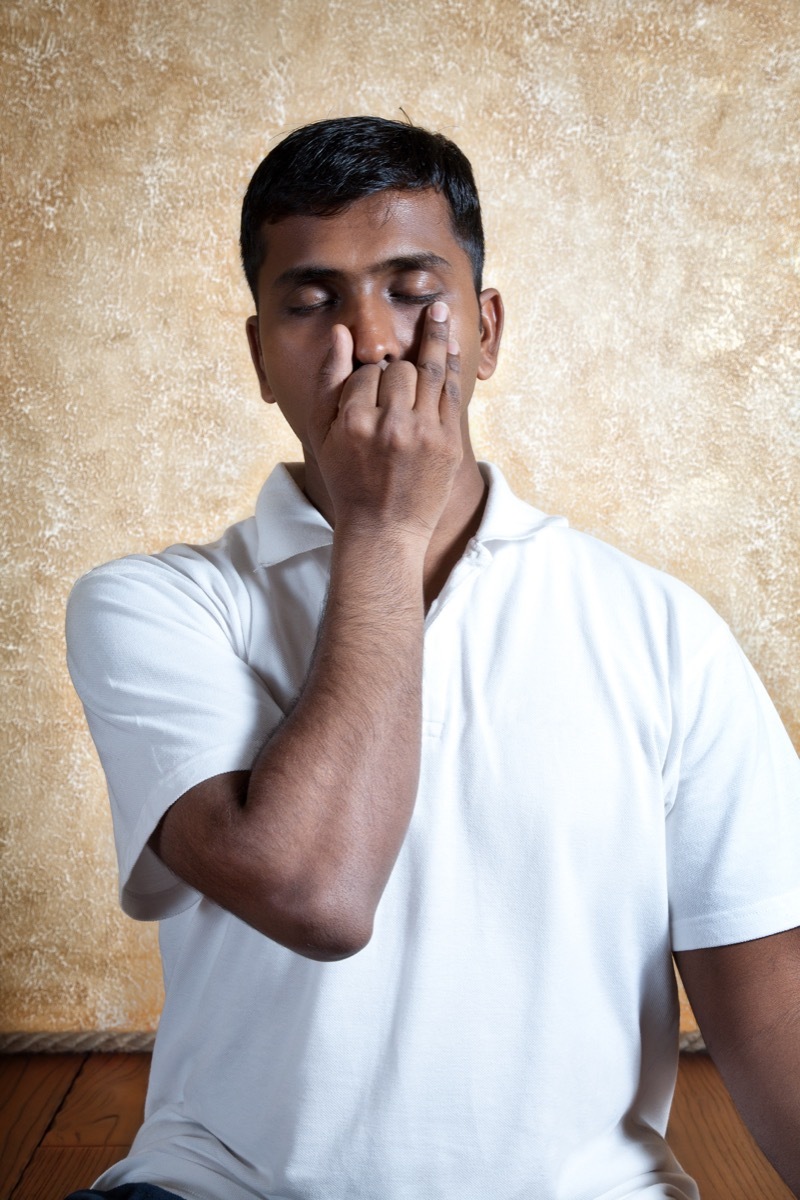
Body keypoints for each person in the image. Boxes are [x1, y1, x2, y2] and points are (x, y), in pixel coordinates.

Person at [65, 116, 800, 1200]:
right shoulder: (155, 606)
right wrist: (382, 532)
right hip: (226, 1185)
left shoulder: (660, 629)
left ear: (487, 330)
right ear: (260, 353)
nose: (368, 338)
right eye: (310, 300)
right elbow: (316, 895)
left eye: (412, 287)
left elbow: (764, 1000)